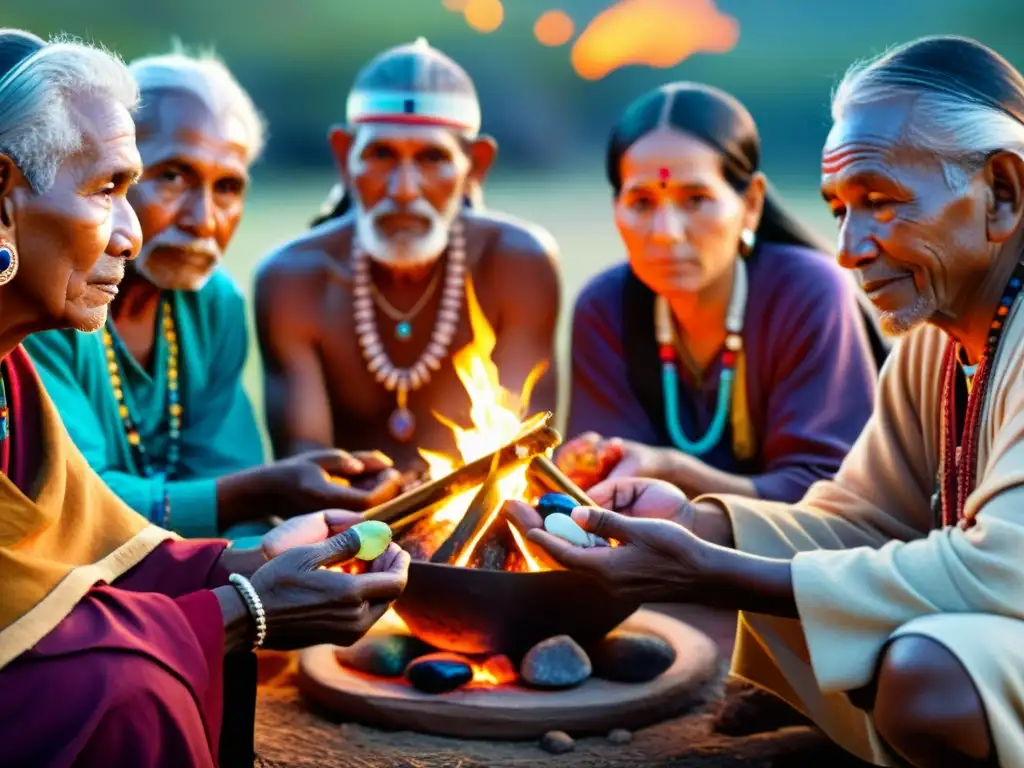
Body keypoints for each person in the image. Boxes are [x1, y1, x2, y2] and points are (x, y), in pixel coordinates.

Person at [507, 35, 1024, 768]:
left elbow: (1005, 570)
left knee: (931, 679)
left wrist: (709, 569)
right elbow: (860, 519)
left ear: (1002, 193)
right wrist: (693, 518)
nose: (847, 247)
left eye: (879, 203)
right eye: (839, 209)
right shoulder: (934, 343)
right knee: (804, 587)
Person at [0, 30, 410, 768]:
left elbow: (100, 549)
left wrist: (244, 563)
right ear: (1, 199)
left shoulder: (11, 374)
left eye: (229, 187)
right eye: (108, 188)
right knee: (126, 684)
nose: (133, 232)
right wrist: (245, 610)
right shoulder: (46, 330)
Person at [23, 49, 402, 542]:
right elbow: (73, 504)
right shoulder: (49, 297)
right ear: (111, 174)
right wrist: (262, 494)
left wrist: (277, 550)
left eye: (227, 187)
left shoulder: (213, 305)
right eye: (173, 177)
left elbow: (233, 493)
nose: (203, 220)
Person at [556, 83, 884, 503]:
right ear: (614, 208)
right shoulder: (604, 310)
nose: (666, 233)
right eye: (641, 202)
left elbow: (831, 498)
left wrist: (674, 470)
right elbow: (604, 497)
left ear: (751, 203)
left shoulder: (808, 292)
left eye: (695, 199)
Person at [255, 38, 561, 474]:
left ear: (475, 166)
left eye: (432, 158)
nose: (403, 190)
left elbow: (523, 454)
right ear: (344, 157)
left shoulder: (518, 265)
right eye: (381, 155)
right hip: (344, 528)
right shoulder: (292, 280)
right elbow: (305, 471)